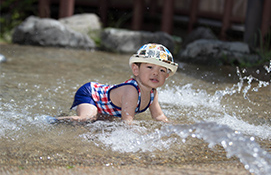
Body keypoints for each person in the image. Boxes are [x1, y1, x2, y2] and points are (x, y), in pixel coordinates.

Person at [50, 43, 178, 125]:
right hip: (91, 93)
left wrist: (173, 126)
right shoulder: (132, 90)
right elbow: (127, 122)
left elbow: (159, 116)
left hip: (105, 105)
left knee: (103, 122)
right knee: (87, 119)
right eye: (150, 67)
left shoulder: (153, 93)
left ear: (166, 76)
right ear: (136, 70)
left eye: (162, 70)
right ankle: (52, 121)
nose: (156, 73)